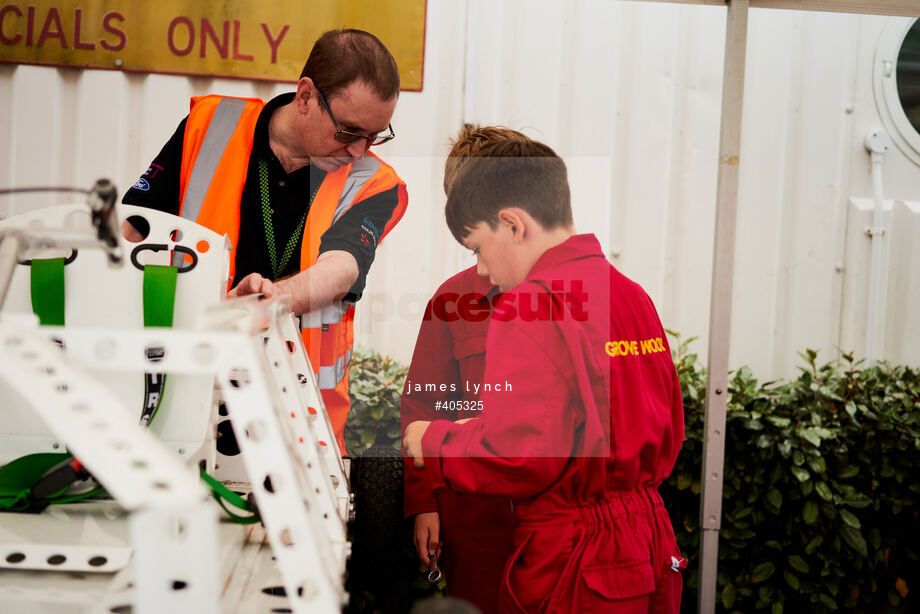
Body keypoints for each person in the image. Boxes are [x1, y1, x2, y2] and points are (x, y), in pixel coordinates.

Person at [404, 136, 685, 613]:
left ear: (512, 224)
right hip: (645, 546)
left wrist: (431, 441)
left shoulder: (528, 305)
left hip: (572, 555)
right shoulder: (631, 294)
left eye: (478, 248)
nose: (484, 272)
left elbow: (521, 456)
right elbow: (663, 424)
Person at [122, 29, 408, 452]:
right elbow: (131, 236)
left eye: (375, 135)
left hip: (297, 424)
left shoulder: (376, 182)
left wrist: (268, 301)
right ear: (306, 95)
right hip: (177, 395)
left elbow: (343, 267)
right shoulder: (210, 126)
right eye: (349, 132)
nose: (358, 151)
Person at [401, 126, 531, 613]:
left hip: (549, 528)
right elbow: (422, 405)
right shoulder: (453, 298)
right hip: (476, 526)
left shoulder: (569, 298)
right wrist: (424, 502)